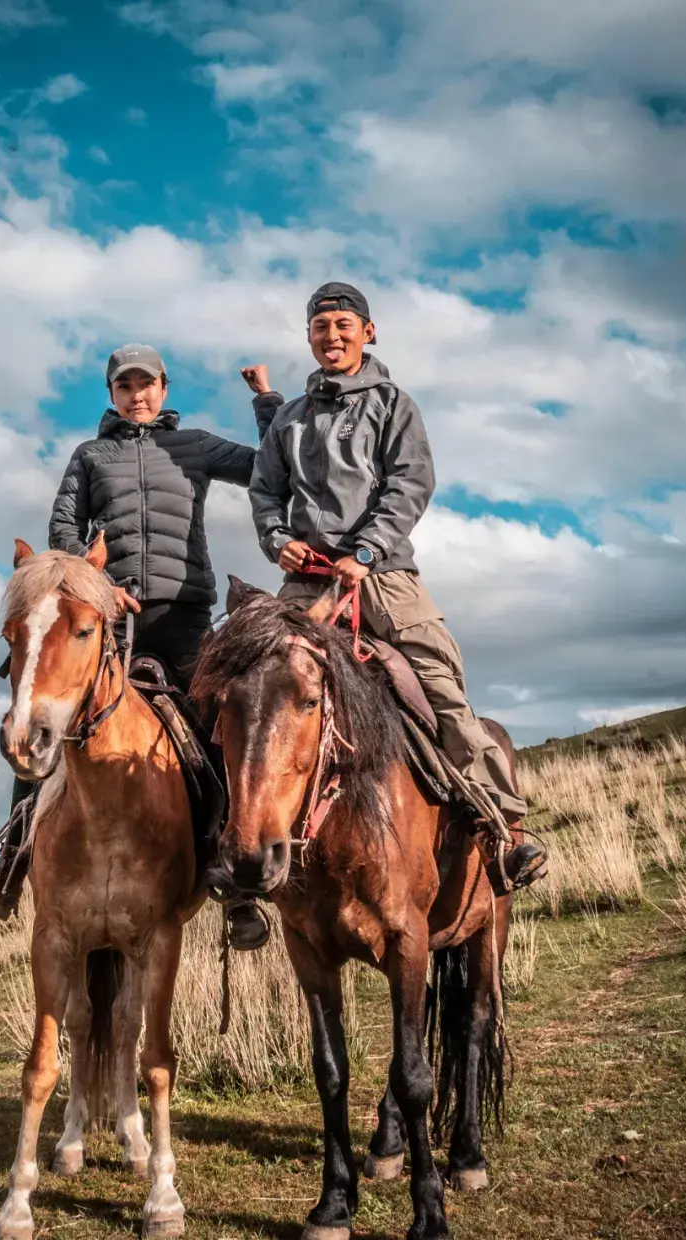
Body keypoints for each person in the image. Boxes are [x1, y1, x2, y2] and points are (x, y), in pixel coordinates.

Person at [0, 343, 284, 949]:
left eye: (147, 383)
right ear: (112, 394)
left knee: (213, 728)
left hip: (184, 616)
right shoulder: (89, 455)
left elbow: (270, 468)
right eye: (125, 386)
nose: (137, 395)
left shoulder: (198, 446)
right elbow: (62, 530)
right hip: (110, 619)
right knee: (51, 715)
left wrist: (266, 403)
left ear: (164, 386)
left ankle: (233, 883)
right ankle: (9, 866)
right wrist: (97, 586)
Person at [249, 283, 548, 893]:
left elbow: (410, 483)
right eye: (320, 327)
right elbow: (264, 493)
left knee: (439, 685)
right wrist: (277, 539)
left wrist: (366, 551)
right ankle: (234, 849)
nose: (332, 336)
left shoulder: (393, 404)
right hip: (305, 586)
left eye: (343, 325)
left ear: (368, 332)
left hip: (383, 577)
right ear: (308, 337)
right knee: (249, 689)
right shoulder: (289, 418)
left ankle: (503, 829)